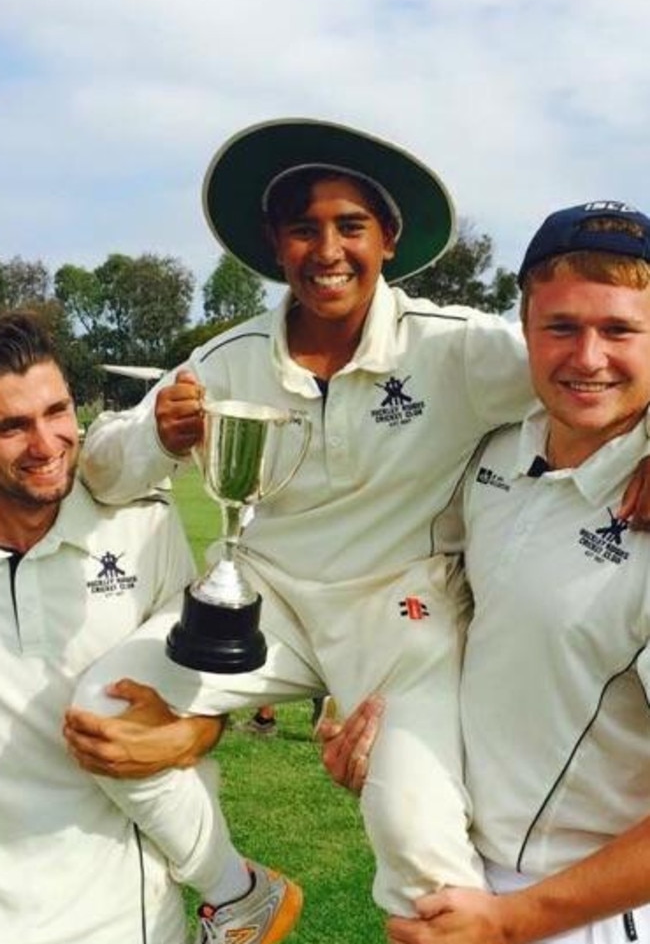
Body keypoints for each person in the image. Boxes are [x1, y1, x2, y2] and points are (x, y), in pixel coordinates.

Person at [70, 120, 645, 919]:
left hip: (400, 615)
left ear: (388, 240)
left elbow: (594, 367)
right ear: (275, 243)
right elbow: (100, 464)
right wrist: (152, 434)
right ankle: (241, 895)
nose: (328, 249)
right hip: (264, 604)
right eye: (305, 228)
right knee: (99, 708)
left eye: (350, 226)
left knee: (418, 846)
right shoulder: (228, 356)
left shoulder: (455, 348)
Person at [327, 202, 650, 944]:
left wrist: (513, 921)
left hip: (579, 912)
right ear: (526, 329)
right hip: (454, 880)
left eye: (621, 329)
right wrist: (384, 737)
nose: (588, 357)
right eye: (562, 326)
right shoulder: (497, 452)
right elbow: (447, 619)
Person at [0, 310, 301, 944]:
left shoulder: (142, 524)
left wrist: (190, 734)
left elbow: (201, 687)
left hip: (127, 920)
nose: (47, 444)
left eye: (57, 412)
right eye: (12, 426)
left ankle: (239, 893)